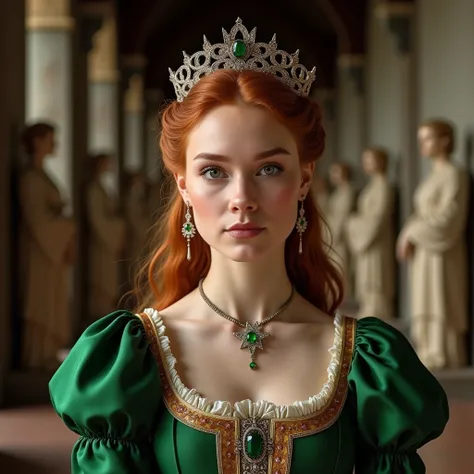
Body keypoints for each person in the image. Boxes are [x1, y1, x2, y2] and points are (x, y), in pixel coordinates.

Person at [49, 18, 448, 473]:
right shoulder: (132, 360)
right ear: (183, 186)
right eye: (214, 172)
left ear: (304, 179)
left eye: (269, 169)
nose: (242, 199)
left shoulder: (368, 364)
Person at [397, 119, 469, 370]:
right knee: (425, 298)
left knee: (440, 298)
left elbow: (449, 218)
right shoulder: (434, 176)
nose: (422, 145)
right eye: (421, 139)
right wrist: (408, 232)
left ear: (445, 140)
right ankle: (428, 348)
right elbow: (422, 214)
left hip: (441, 251)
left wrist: (411, 232)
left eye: (428, 138)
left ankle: (443, 351)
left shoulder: (454, 174)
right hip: (425, 250)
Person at [18, 122, 76, 370]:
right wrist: (66, 228)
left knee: (52, 298)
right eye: (50, 138)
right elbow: (38, 220)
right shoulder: (30, 178)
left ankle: (48, 351)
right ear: (37, 142)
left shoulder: (42, 175)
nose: (55, 144)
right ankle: (37, 354)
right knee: (40, 299)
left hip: (52, 250)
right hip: (41, 251)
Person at [345, 147, 396, 320]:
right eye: (365, 160)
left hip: (375, 242)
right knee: (367, 281)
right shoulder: (373, 186)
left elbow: (377, 218)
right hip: (367, 242)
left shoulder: (383, 186)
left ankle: (377, 316)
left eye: (370, 160)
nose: (366, 164)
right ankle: (369, 313)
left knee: (376, 281)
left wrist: (353, 223)